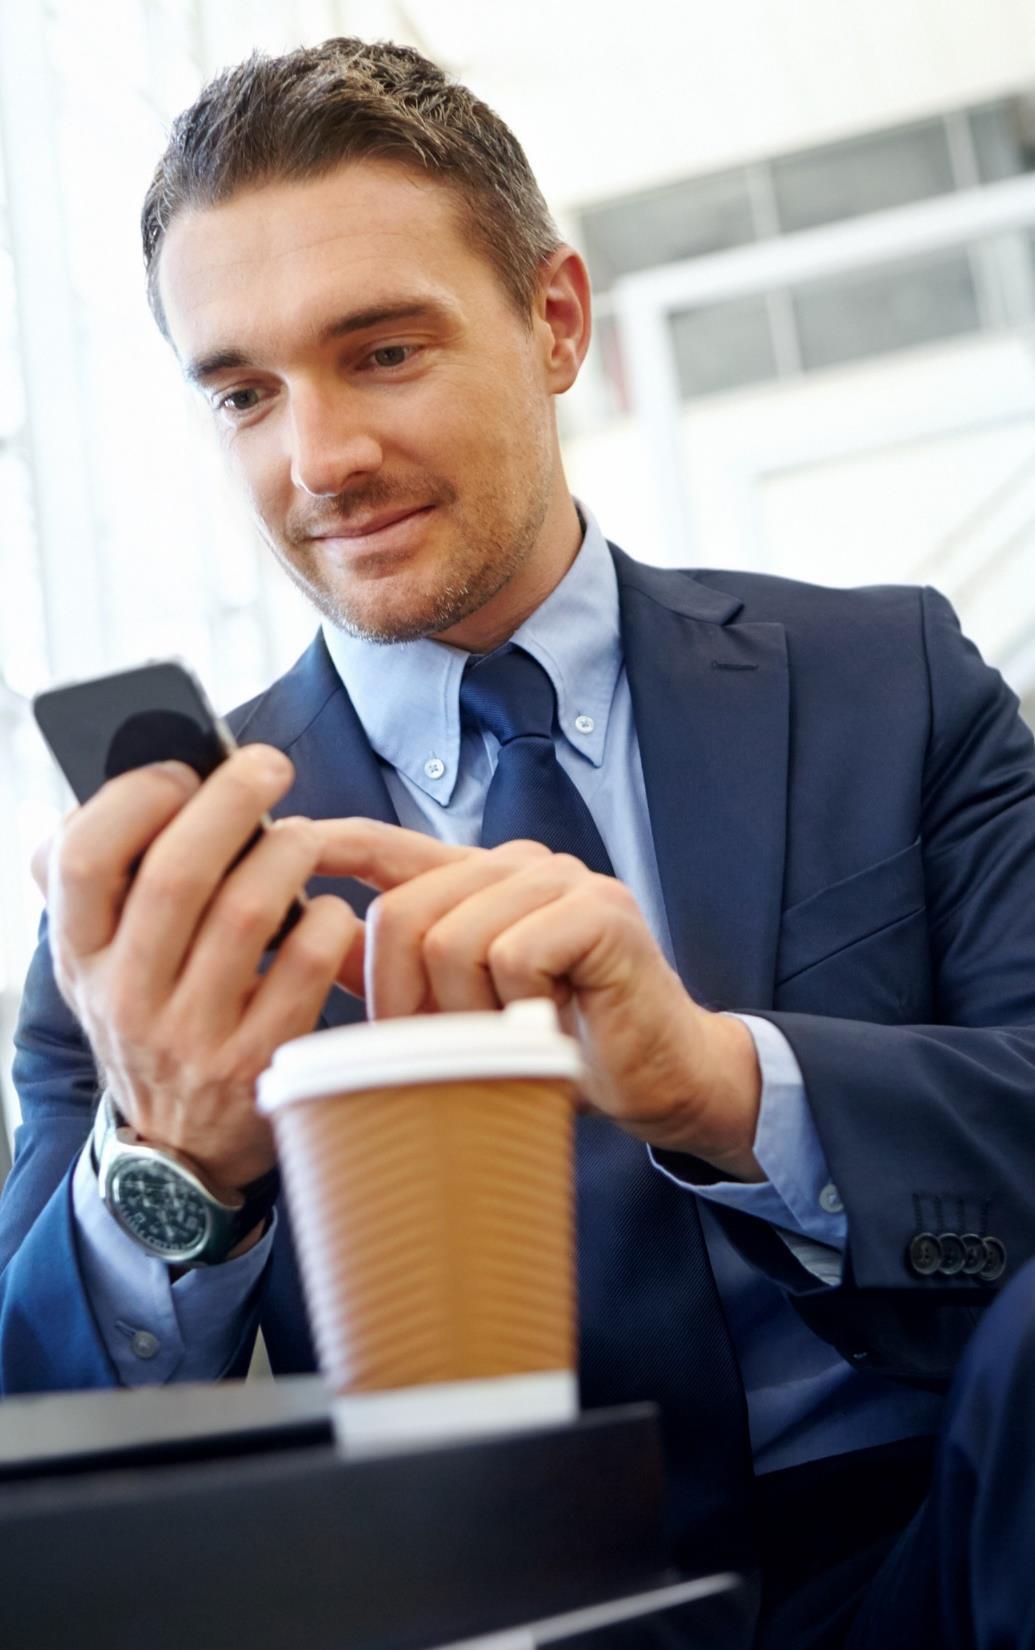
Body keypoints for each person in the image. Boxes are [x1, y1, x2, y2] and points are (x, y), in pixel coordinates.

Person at [2, 36, 1035, 1648]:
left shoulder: (886, 680)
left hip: (947, 1543)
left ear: (555, 321)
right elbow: (36, 1436)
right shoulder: (162, 895)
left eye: (383, 351)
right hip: (484, 1608)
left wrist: (721, 1082)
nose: (318, 460)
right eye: (246, 393)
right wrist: (172, 1163)